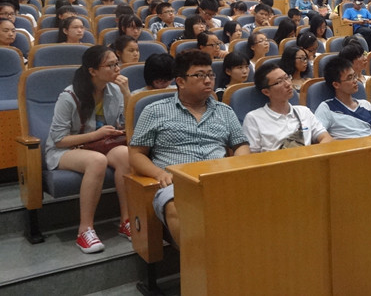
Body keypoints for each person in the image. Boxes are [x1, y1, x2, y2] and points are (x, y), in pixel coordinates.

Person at [130, 50, 250, 249]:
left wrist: (237, 165)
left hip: (218, 178)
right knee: (177, 207)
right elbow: (136, 154)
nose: (208, 80)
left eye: (210, 74)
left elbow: (241, 145)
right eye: (199, 75)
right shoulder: (154, 111)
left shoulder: (224, 111)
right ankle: (198, 263)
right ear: (181, 81)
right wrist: (159, 174)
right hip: (178, 182)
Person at [45, 46, 131, 253]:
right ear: (93, 71)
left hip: (101, 144)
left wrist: (127, 94)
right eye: (110, 65)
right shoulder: (69, 96)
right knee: (97, 161)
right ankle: (85, 230)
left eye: (117, 63)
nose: (117, 69)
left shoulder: (115, 91)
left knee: (126, 155)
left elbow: (126, 124)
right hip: (66, 150)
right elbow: (59, 139)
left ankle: (126, 220)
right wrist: (96, 135)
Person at [243, 64, 333, 151]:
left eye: (287, 78)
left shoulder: (304, 112)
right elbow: (252, 155)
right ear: (266, 92)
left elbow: (326, 138)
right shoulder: (254, 118)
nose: (288, 84)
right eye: (279, 82)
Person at [314, 56, 371, 139]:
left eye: (354, 76)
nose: (355, 80)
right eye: (350, 78)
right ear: (336, 84)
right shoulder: (326, 108)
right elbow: (318, 136)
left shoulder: (365, 105)